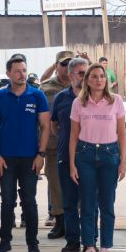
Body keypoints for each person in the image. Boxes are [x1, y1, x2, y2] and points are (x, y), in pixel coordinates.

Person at [0, 55, 50, 252]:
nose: (21, 74)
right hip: (5, 159)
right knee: (7, 200)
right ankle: (5, 242)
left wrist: (41, 154)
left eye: (24, 70)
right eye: (17, 71)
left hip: (30, 159)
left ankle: (33, 243)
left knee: (29, 201)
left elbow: (45, 126)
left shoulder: (37, 96)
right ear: (8, 74)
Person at [70, 63, 126, 252]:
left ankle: (105, 248)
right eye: (93, 76)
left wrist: (122, 162)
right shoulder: (79, 103)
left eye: (102, 76)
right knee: (87, 203)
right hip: (85, 154)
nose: (99, 80)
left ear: (107, 80)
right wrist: (72, 164)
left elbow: (122, 133)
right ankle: (89, 246)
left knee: (107, 204)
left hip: (109, 154)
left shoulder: (116, 101)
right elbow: (73, 136)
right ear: (87, 80)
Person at [52, 57, 88, 252]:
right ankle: (73, 240)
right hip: (66, 157)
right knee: (69, 202)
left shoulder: (96, 97)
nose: (84, 77)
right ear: (70, 74)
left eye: (86, 73)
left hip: (90, 157)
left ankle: (90, 240)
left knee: (90, 202)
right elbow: (54, 125)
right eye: (81, 73)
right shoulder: (60, 98)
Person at [39, 50, 74, 238]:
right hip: (54, 146)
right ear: (56, 66)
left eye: (70, 63)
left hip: (80, 145)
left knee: (80, 186)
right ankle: (60, 222)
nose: (67, 67)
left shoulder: (85, 85)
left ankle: (75, 223)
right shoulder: (45, 88)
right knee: (56, 185)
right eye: (63, 64)